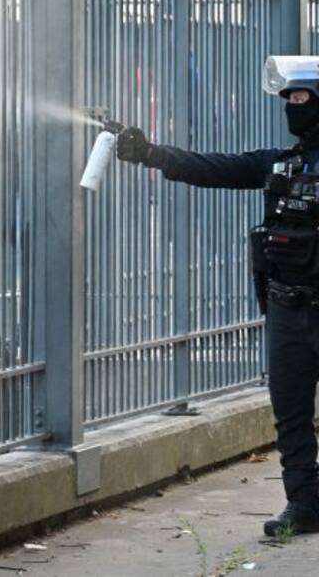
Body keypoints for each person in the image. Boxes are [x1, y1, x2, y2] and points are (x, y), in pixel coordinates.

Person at [113, 54, 319, 537]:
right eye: (287, 99)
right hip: (289, 306)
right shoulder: (280, 163)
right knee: (290, 413)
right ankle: (304, 504)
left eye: (302, 97)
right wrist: (151, 153)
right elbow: (217, 168)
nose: (293, 107)